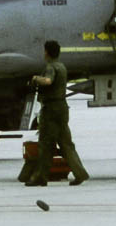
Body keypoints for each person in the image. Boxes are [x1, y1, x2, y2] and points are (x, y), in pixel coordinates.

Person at [27, 40, 89, 187]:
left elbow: (48, 81)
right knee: (66, 143)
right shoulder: (62, 66)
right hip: (62, 107)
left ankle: (41, 176)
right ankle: (80, 173)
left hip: (51, 109)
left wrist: (36, 78)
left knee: (45, 144)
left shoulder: (51, 67)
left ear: (47, 52)